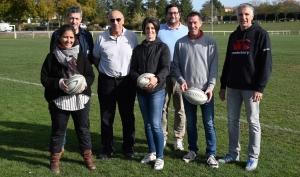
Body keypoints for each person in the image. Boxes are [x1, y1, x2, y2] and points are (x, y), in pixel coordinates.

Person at [218, 3, 272, 171]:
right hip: (233, 87)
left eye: (246, 14)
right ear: (237, 16)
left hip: (251, 88)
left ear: (252, 16)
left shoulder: (261, 34)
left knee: (253, 122)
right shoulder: (233, 35)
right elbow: (228, 61)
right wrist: (223, 85)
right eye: (240, 14)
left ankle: (252, 157)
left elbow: (266, 64)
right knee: (232, 122)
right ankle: (233, 153)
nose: (243, 17)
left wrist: (260, 87)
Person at [41, 24, 96, 174]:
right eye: (65, 37)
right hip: (59, 100)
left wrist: (84, 85)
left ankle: (87, 158)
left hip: (80, 99)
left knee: (83, 129)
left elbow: (91, 75)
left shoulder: (81, 55)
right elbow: (44, 78)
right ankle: (55, 161)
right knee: (58, 130)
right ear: (59, 37)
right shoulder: (52, 56)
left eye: (71, 37)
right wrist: (59, 83)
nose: (68, 40)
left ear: (75, 38)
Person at [171, 12, 219, 168]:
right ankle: (193, 150)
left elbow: (214, 67)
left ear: (201, 23)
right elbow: (175, 66)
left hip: (205, 92)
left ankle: (211, 154)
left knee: (208, 123)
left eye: (195, 23)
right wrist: (181, 80)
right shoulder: (180, 43)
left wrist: (211, 87)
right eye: (190, 23)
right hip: (188, 92)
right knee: (191, 123)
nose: (193, 26)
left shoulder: (210, 42)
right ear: (186, 23)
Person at [93, 10, 138, 159]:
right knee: (106, 117)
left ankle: (128, 148)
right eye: (112, 20)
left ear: (123, 20)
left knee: (127, 116)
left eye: (118, 19)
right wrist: (106, 72)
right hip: (107, 82)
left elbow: (136, 60)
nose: (115, 23)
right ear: (108, 21)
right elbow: (96, 59)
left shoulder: (131, 36)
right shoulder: (101, 38)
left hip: (127, 82)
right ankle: (107, 148)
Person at [49, 6, 94, 153]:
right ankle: (61, 146)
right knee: (61, 119)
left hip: (82, 84)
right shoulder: (57, 34)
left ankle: (85, 148)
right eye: (71, 18)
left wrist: (83, 80)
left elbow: (90, 59)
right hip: (64, 84)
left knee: (83, 121)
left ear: (81, 19)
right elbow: (54, 58)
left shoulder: (87, 35)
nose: (74, 21)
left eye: (77, 18)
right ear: (67, 18)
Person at [130, 17, 170, 170]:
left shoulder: (163, 47)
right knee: (147, 124)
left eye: (153, 28)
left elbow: (166, 68)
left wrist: (156, 80)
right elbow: (133, 69)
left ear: (157, 30)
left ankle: (160, 157)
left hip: (156, 91)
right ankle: (152, 152)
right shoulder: (138, 49)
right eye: (147, 28)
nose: (150, 31)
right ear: (144, 30)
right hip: (141, 91)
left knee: (155, 124)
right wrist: (139, 80)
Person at [157, 3, 188, 150]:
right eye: (170, 13)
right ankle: (163, 136)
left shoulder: (186, 30)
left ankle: (178, 138)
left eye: (175, 13)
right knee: (162, 108)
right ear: (166, 14)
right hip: (162, 75)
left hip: (179, 76)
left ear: (179, 14)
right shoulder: (159, 30)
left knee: (180, 109)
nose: (173, 15)